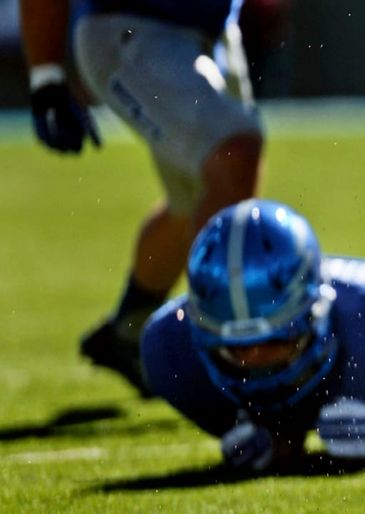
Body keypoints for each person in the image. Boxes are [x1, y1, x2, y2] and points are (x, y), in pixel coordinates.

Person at [19, 0, 263, 396]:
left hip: (213, 33)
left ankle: (130, 329)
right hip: (133, 28)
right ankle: (227, 361)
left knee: (198, 202)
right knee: (233, 157)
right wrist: (46, 77)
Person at [141, 199, 365, 470]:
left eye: (276, 342)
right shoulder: (171, 350)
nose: (257, 365)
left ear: (316, 314)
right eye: (237, 351)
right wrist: (277, 439)